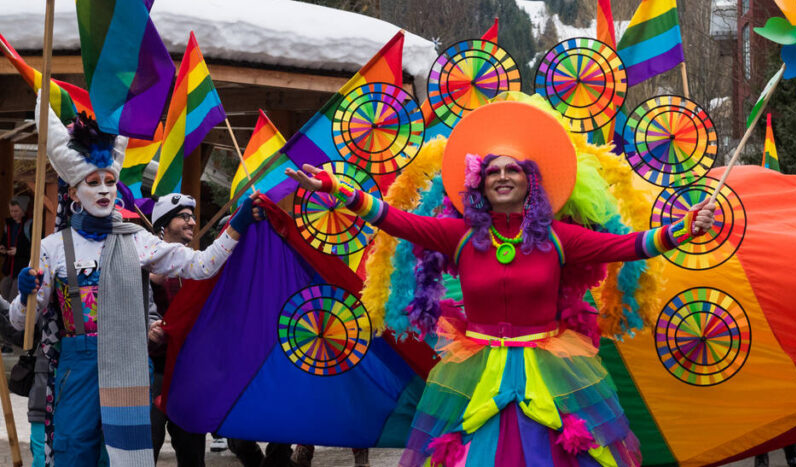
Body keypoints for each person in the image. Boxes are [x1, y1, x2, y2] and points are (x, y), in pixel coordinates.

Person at [286, 99, 714, 466]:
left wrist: (684, 229)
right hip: (476, 369)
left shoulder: (558, 239)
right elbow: (393, 219)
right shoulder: (459, 237)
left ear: (531, 181)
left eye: (514, 169)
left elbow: (630, 246)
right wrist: (336, 188)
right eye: (493, 171)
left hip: (552, 370)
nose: (503, 176)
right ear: (481, 184)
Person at [10, 100, 259, 466]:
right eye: (93, 182)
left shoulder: (137, 239)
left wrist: (237, 225)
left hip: (127, 364)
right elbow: (20, 322)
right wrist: (25, 295)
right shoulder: (51, 248)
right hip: (76, 368)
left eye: (110, 181)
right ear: (73, 192)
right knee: (73, 453)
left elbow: (202, 265)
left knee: (121, 458)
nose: (104, 190)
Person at [147, 193, 208, 465]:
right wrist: (148, 279)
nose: (192, 222)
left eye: (192, 217)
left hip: (188, 370)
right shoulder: (144, 260)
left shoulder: (199, 262)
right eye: (183, 216)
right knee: (148, 446)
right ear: (164, 223)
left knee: (192, 451)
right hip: (154, 368)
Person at [1, 195, 32, 303]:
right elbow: (4, 241)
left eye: (16, 211)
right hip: (10, 268)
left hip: (23, 267)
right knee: (4, 287)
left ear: (23, 210)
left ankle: (11, 319)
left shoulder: (30, 225)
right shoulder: (9, 225)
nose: (13, 213)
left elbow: (34, 247)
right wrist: (3, 248)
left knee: (14, 296)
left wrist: (18, 252)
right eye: (11, 211)